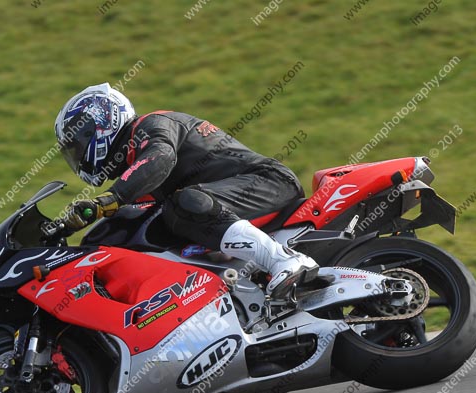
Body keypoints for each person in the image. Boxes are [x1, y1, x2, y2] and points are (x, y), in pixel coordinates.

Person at [55, 83, 318, 298]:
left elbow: (161, 157)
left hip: (268, 181)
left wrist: (111, 198)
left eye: (77, 146)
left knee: (183, 203)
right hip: (231, 203)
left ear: (100, 124)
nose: (76, 156)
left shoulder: (152, 125)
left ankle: (284, 260)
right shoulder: (138, 176)